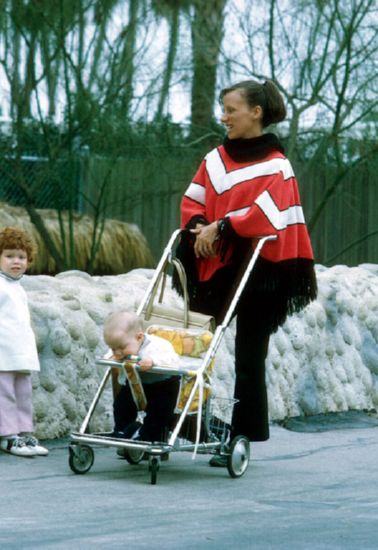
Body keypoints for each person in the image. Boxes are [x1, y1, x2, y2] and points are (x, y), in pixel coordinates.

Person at [177, 80, 318, 465]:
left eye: (231, 109)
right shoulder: (215, 159)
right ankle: (182, 421)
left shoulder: (278, 166)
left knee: (249, 357)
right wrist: (201, 226)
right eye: (223, 109)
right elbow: (193, 201)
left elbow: (267, 215)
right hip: (215, 264)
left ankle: (241, 436)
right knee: (190, 346)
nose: (223, 117)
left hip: (262, 271)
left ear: (255, 113)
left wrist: (219, 228)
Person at [0, 226, 48, 458]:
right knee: (3, 393)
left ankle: (24, 432)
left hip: (19, 354)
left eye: (22, 257)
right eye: (10, 256)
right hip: (0, 354)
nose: (17, 262)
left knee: (23, 393)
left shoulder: (17, 288)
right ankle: (7, 436)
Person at [103, 310, 181, 442]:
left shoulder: (158, 346)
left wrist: (153, 361)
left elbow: (173, 361)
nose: (118, 352)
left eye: (121, 348)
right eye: (113, 348)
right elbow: (109, 356)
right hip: (136, 383)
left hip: (163, 385)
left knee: (158, 413)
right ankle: (122, 430)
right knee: (121, 405)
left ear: (139, 337)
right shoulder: (122, 347)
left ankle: (148, 437)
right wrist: (111, 357)